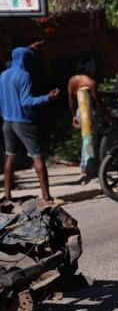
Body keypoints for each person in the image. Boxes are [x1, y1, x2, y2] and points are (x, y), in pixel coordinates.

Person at [0, 45, 61, 203]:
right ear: (25, 59)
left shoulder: (3, 75)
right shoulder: (24, 75)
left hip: (7, 121)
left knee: (10, 156)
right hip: (23, 122)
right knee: (37, 156)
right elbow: (26, 101)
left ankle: (7, 195)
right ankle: (46, 196)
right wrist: (48, 97)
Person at [67, 73, 102, 178]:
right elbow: (97, 101)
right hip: (89, 111)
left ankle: (85, 166)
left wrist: (74, 116)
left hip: (79, 111)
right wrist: (104, 114)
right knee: (90, 140)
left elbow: (71, 101)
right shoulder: (91, 82)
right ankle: (88, 167)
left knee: (86, 139)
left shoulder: (72, 80)